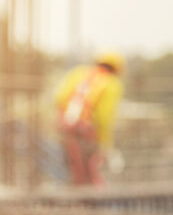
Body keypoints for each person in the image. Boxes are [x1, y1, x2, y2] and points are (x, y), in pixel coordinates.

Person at [53, 50, 125, 186]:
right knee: (92, 168)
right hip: (87, 132)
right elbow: (104, 118)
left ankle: (79, 194)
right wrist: (105, 143)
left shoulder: (79, 72)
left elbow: (59, 98)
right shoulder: (112, 83)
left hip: (66, 127)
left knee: (75, 168)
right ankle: (90, 198)